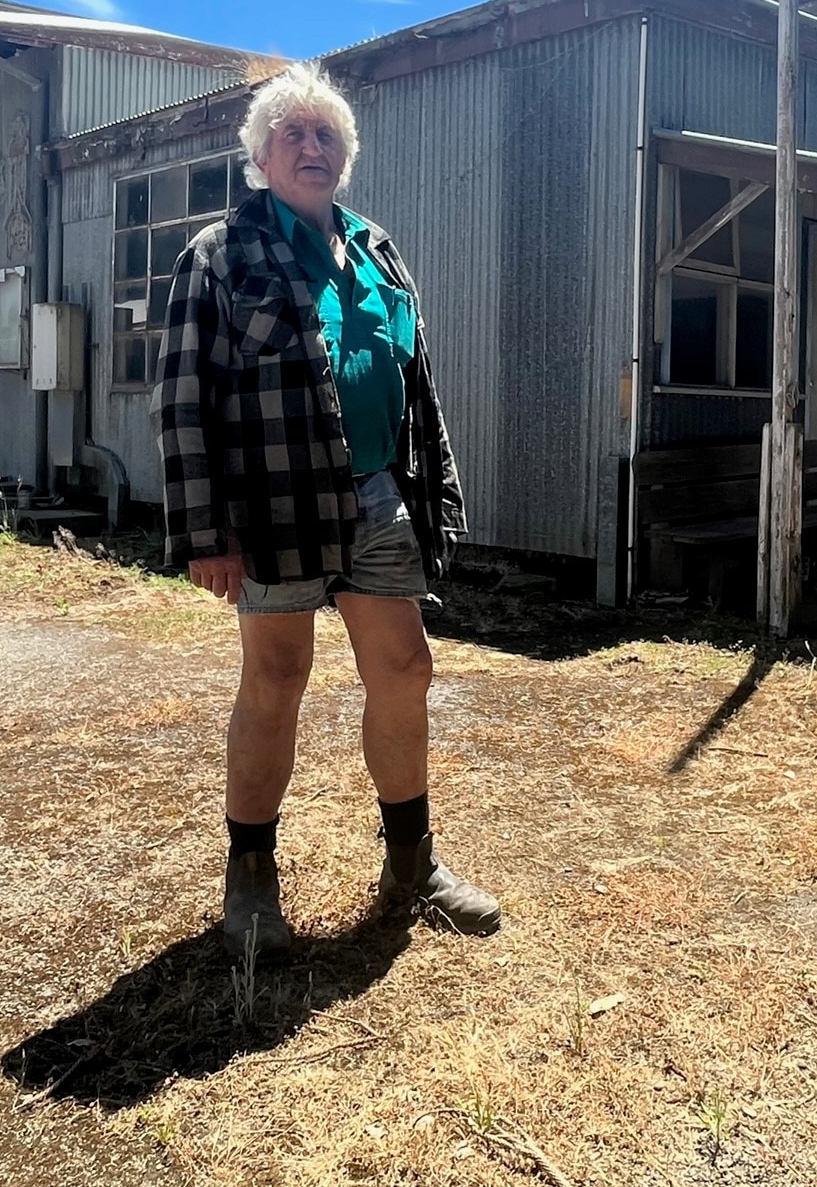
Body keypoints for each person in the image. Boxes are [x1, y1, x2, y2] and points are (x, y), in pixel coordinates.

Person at [151, 62, 499, 962]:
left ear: (346, 155)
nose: (313, 147)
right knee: (276, 680)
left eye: (328, 135)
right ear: (259, 157)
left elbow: (415, 384)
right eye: (293, 134)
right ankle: (252, 875)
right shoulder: (219, 253)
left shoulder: (377, 249)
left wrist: (436, 496)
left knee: (406, 670)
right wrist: (204, 530)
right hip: (273, 505)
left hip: (378, 495)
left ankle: (412, 864)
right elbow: (181, 400)